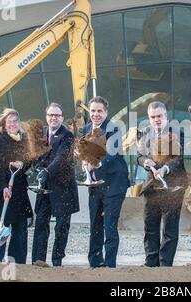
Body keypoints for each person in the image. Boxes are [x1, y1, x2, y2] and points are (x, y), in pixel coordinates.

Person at [137, 101, 188, 267]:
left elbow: (179, 159)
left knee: (170, 230)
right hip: (151, 187)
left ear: (165, 116)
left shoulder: (178, 133)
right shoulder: (145, 133)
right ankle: (150, 264)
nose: (156, 119)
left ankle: (165, 265)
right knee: (150, 226)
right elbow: (139, 156)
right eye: (153, 117)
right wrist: (146, 162)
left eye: (159, 116)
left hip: (172, 187)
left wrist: (165, 169)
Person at [83, 96, 130, 268]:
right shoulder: (86, 128)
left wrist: (95, 161)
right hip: (95, 186)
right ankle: (95, 262)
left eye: (99, 111)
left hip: (114, 185)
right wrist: (84, 163)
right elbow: (83, 152)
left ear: (106, 112)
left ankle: (110, 266)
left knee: (109, 226)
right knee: (95, 224)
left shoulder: (114, 128)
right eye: (93, 111)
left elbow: (111, 153)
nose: (96, 114)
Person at [32, 103, 79, 267]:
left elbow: (61, 158)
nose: (54, 118)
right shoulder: (41, 134)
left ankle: (57, 260)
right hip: (44, 188)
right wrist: (36, 166)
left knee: (61, 227)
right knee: (41, 223)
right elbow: (35, 153)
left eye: (57, 115)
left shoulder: (68, 136)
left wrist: (46, 171)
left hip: (63, 188)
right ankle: (38, 260)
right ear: (46, 116)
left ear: (62, 118)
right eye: (51, 115)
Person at [0, 108, 33, 264]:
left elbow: (29, 160)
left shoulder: (24, 140)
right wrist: (4, 187)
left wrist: (23, 164)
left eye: (15, 121)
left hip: (20, 189)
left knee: (20, 227)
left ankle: (18, 260)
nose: (13, 124)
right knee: (2, 225)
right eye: (9, 122)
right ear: (4, 124)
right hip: (4, 189)